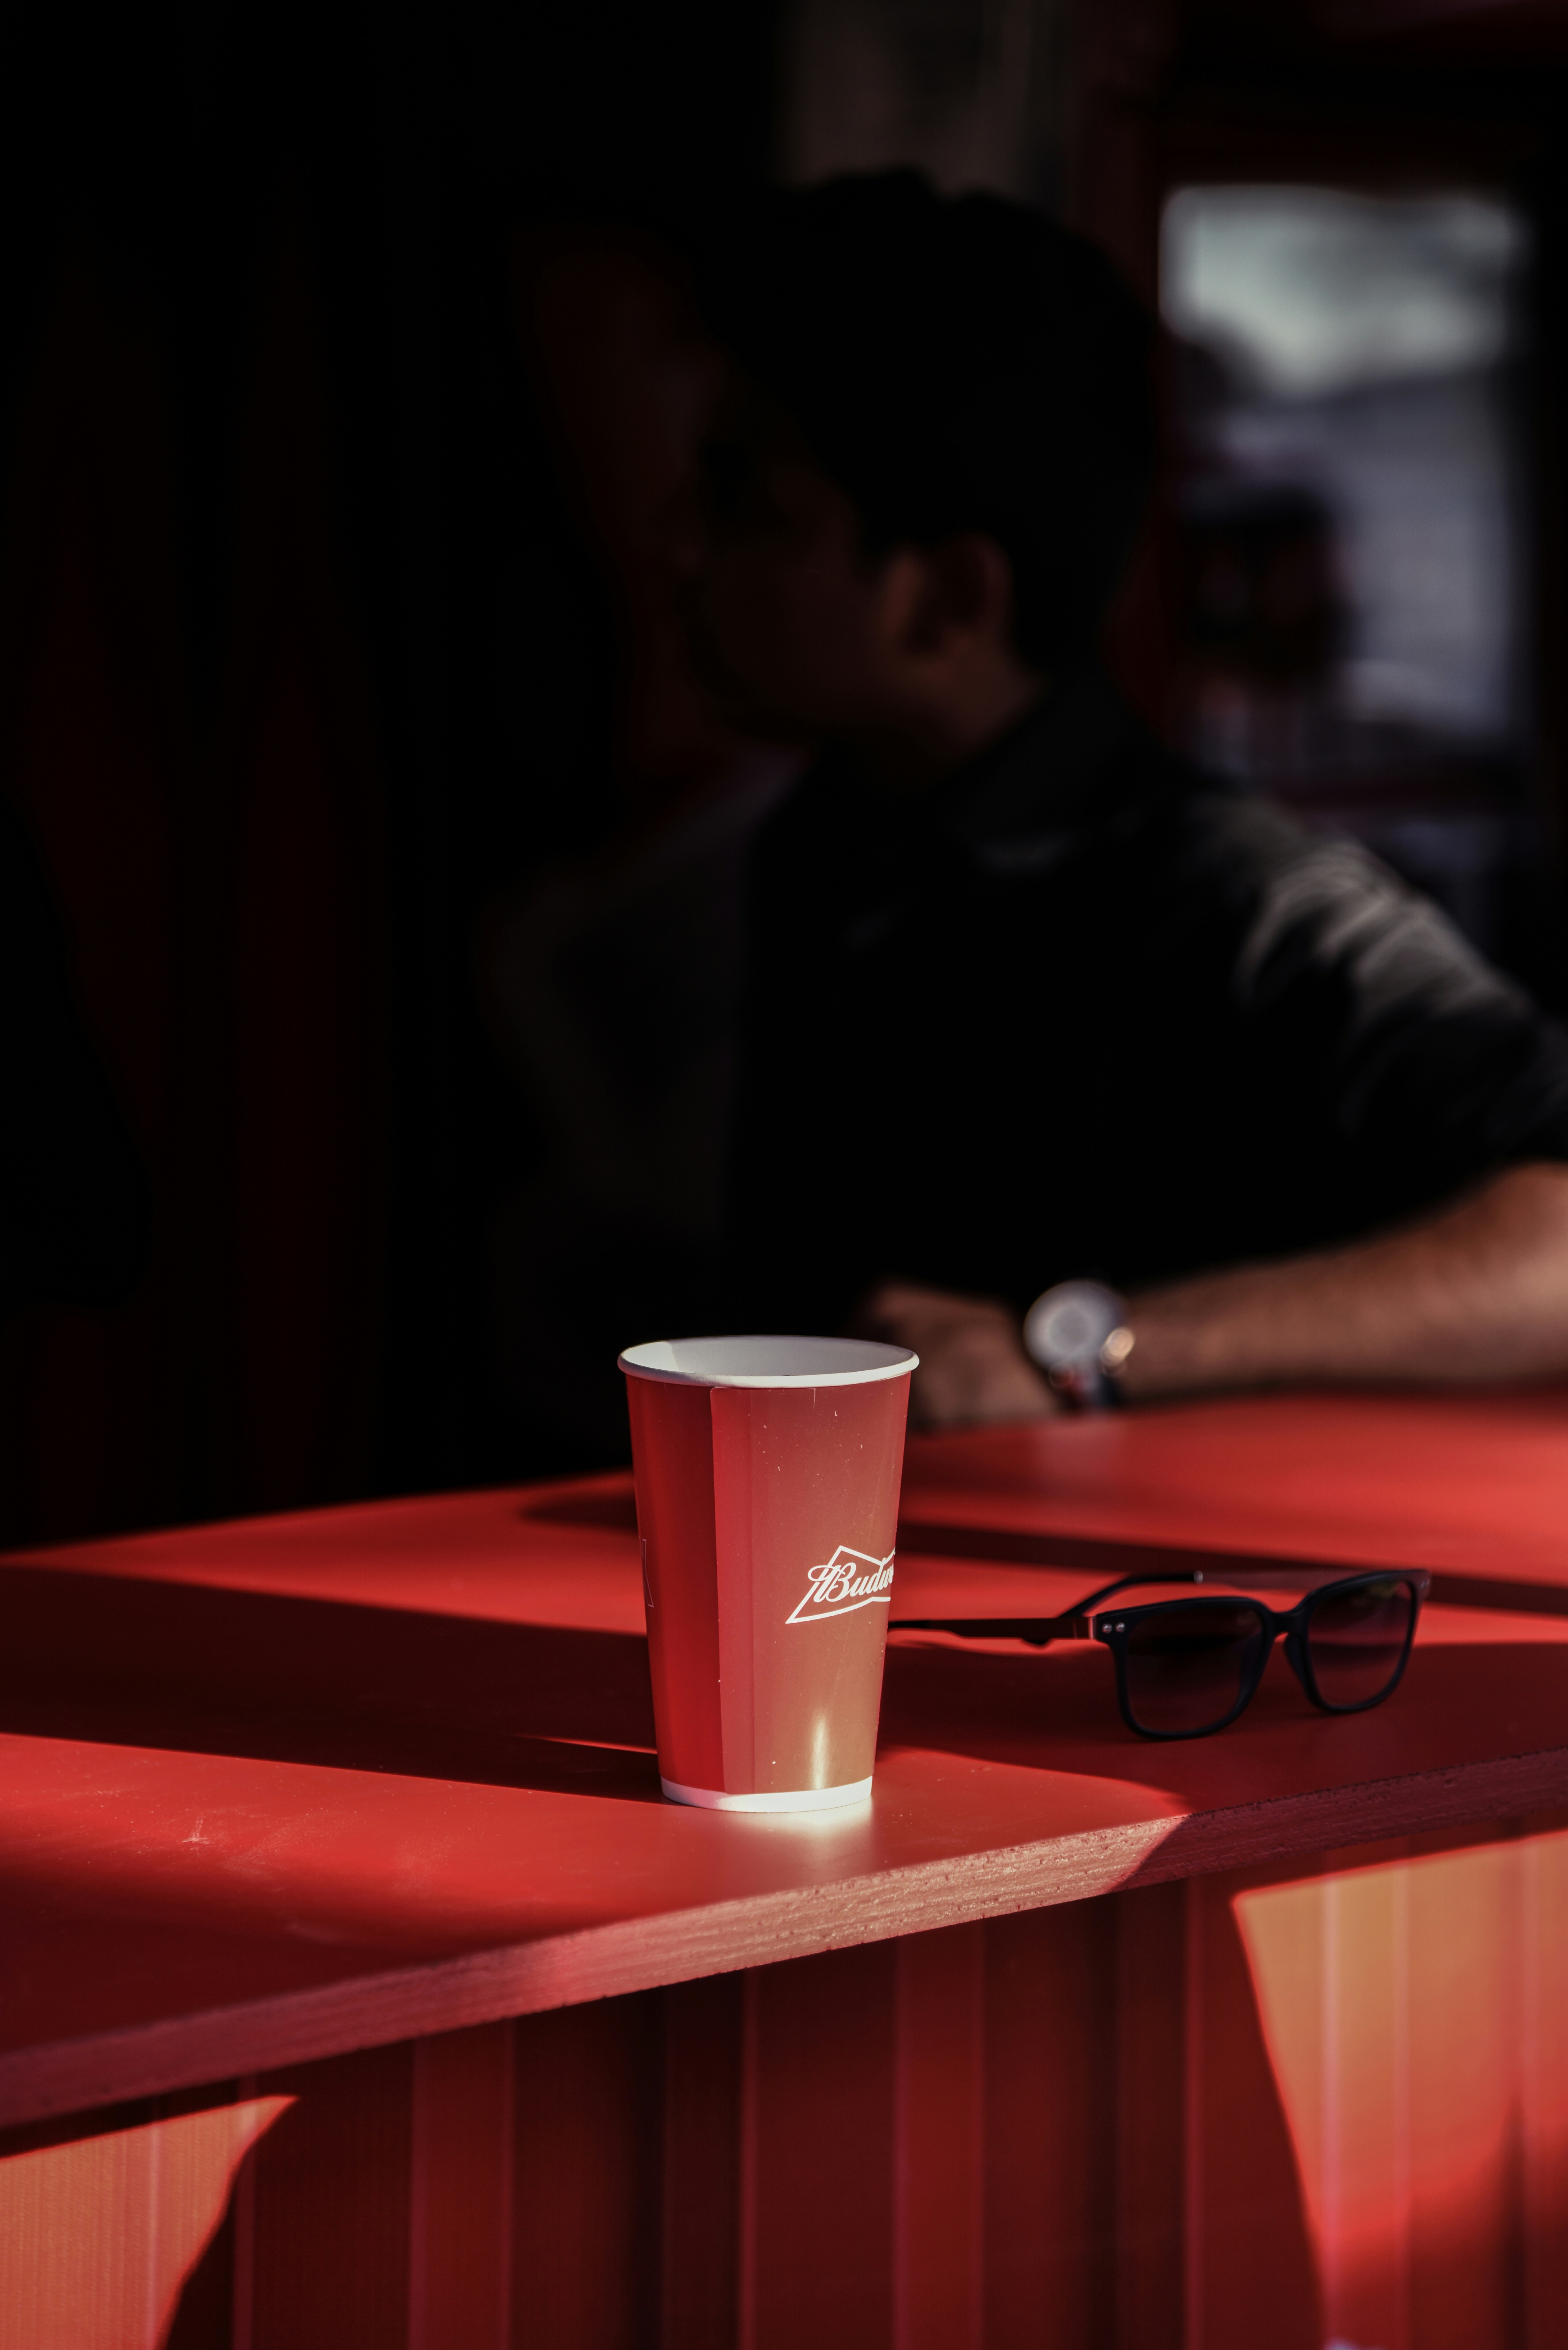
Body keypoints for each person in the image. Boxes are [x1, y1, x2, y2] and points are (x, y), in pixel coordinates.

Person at [675, 170, 1568, 1426]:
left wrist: (1080, 1354)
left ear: (947, 600)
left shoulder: (1239, 897)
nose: (682, 553)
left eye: (744, 509)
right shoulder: (828, 838)